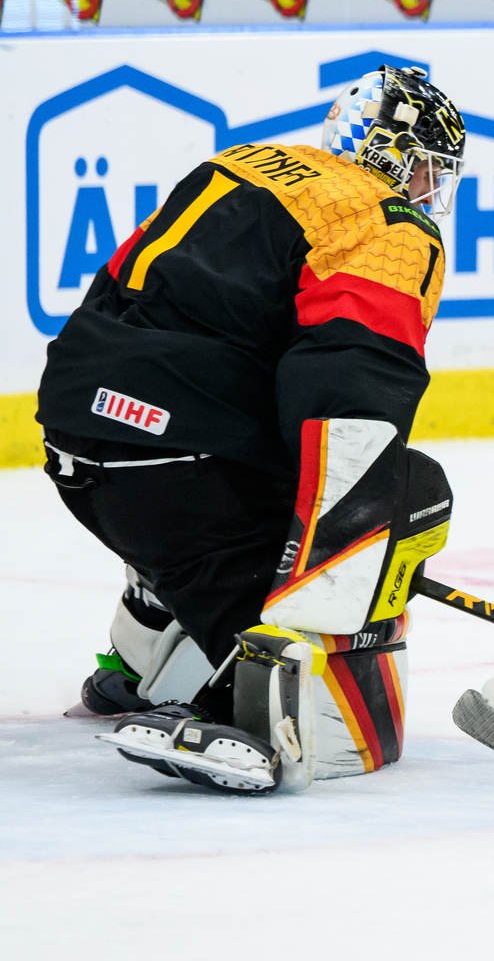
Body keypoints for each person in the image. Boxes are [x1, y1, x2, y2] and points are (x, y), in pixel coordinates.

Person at [40, 65, 467, 795]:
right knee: (410, 492)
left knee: (206, 507)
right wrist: (347, 555)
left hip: (78, 441)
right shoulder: (391, 224)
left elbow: (120, 299)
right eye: (428, 167)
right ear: (396, 154)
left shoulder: (243, 165)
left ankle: (133, 664)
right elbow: (349, 393)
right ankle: (265, 708)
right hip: (179, 468)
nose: (430, 187)